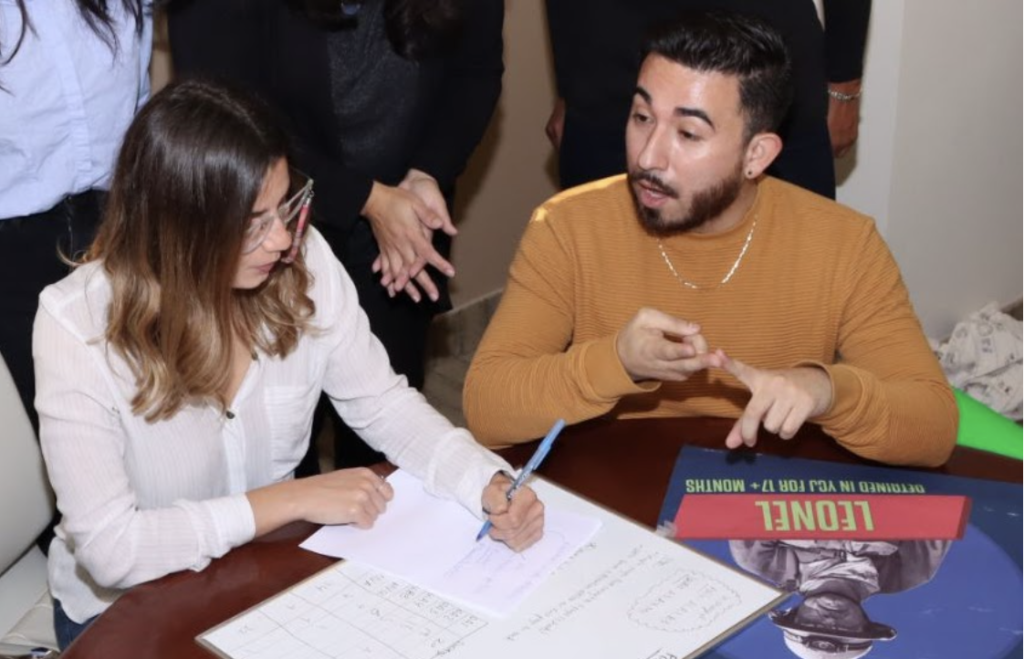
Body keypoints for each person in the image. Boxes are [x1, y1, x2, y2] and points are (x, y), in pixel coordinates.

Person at [33, 79, 544, 650]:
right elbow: (111, 550)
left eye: (285, 206)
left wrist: (483, 479)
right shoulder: (75, 326)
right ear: (178, 227)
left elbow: (382, 404)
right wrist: (290, 499)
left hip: (260, 574)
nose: (281, 239)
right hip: (126, 610)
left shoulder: (303, 261)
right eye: (253, 222)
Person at [462, 10, 957, 467]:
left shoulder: (844, 244)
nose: (649, 157)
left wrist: (826, 389)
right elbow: (486, 406)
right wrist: (616, 361)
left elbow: (934, 427)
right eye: (642, 118)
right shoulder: (567, 225)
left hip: (766, 491)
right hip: (613, 483)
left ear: (757, 155)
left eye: (689, 134)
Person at [166, 0, 504, 470]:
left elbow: (475, 72)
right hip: (271, 224)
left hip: (402, 227)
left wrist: (425, 174)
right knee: (278, 440)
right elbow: (221, 107)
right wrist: (365, 198)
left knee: (380, 436)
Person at [0, 0, 151, 434]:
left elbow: (138, 101)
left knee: (144, 413)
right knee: (57, 427)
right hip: (15, 249)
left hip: (118, 223)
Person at [544, 0, 871, 197]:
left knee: (792, 269)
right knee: (610, 271)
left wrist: (845, 85)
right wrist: (570, 86)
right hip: (609, 66)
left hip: (765, 61)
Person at [730, 539, 951, 658]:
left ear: (795, 615)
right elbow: (941, 512)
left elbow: (750, 499)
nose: (828, 620)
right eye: (842, 629)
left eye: (812, 624)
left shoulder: (761, 561)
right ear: (864, 624)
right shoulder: (906, 573)